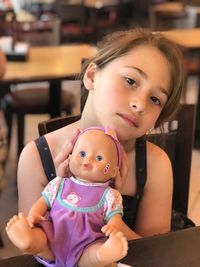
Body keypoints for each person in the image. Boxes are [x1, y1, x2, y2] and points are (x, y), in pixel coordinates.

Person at [16, 27, 184, 248]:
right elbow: (34, 249)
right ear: (92, 76)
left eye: (155, 99)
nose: (140, 104)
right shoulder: (36, 157)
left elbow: (154, 255)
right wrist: (63, 188)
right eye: (130, 81)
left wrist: (110, 203)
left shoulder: (155, 164)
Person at [6, 127, 128, 267]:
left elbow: (115, 217)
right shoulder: (59, 183)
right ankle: (28, 241)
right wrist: (34, 214)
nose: (87, 160)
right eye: (82, 153)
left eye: (99, 158)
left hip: (87, 245)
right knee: (40, 239)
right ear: (70, 156)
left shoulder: (109, 195)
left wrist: (113, 227)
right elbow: (43, 201)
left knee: (93, 255)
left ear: (113, 171)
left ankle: (102, 255)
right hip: (54, 236)